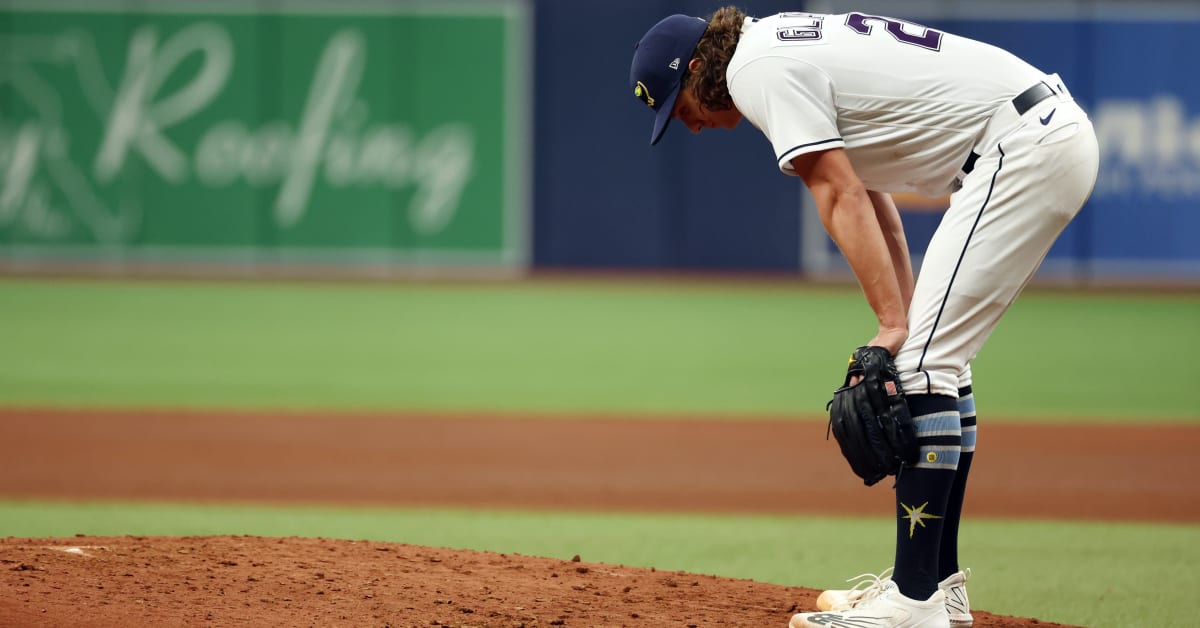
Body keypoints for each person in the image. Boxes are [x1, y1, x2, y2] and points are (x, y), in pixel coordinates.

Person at [629, 8, 1099, 628]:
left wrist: (892, 329)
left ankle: (911, 602)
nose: (687, 125)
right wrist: (898, 324)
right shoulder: (775, 48)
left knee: (927, 366)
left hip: (1020, 148)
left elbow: (836, 192)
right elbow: (875, 205)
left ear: (695, 68)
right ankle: (937, 588)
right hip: (1038, 135)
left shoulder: (754, 69)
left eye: (678, 104)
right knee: (931, 366)